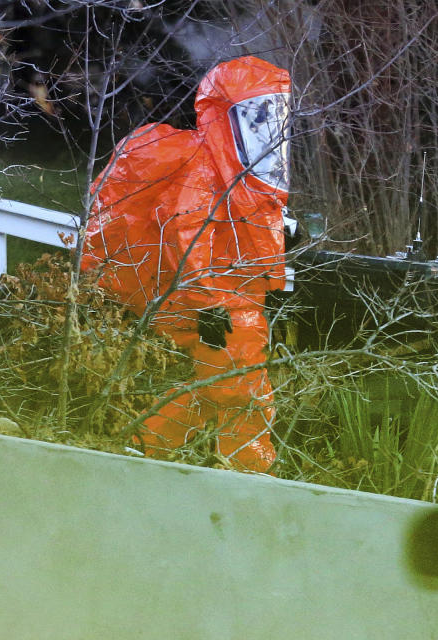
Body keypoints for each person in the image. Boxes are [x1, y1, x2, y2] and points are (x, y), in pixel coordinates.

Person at [82, 56, 292, 472]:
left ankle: (144, 449)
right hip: (223, 304)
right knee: (242, 393)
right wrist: (207, 304)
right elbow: (184, 233)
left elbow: (244, 229)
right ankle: (251, 474)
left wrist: (273, 279)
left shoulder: (239, 171)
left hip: (235, 297)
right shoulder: (208, 167)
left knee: (213, 389)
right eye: (255, 113)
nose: (265, 124)